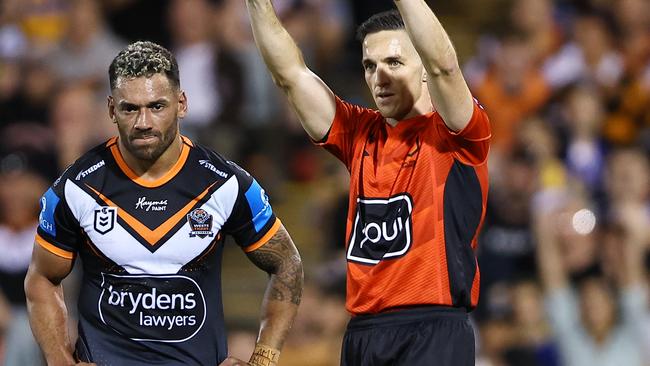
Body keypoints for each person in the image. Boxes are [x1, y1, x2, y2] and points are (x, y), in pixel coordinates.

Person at [24, 41, 303, 366]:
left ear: (181, 104)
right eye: (131, 108)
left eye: (157, 106)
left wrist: (264, 360)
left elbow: (287, 263)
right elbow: (42, 277)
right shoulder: (76, 187)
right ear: (112, 109)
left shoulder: (226, 184)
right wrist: (59, 361)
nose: (144, 122)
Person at [246, 1, 491, 365]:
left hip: (433, 327)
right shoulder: (359, 133)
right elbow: (290, 75)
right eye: (370, 66)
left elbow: (445, 65)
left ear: (422, 68)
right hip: (363, 334)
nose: (380, 76)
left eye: (394, 62)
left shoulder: (457, 134)